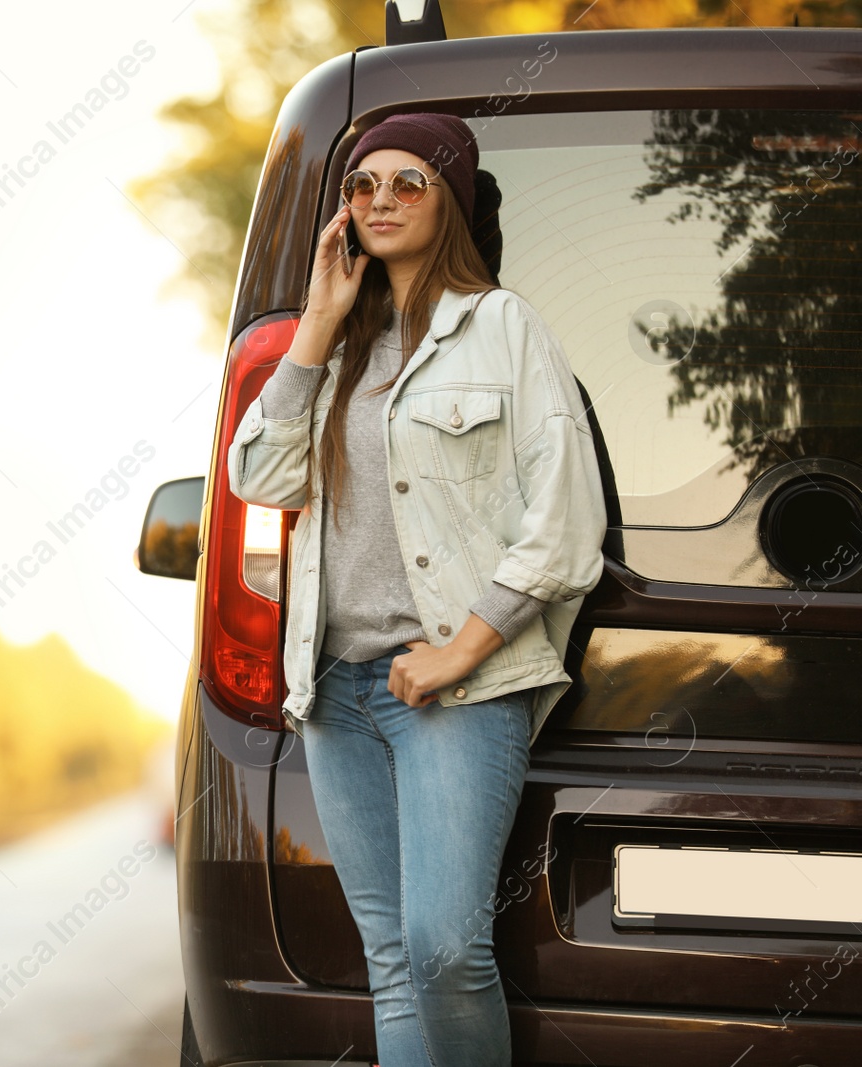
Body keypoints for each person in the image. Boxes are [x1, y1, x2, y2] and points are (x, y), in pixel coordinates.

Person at [225, 112, 607, 1066]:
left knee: (443, 949)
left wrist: (461, 647)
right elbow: (257, 479)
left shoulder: (502, 327)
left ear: (456, 201)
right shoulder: (336, 351)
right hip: (338, 691)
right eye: (363, 187)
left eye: (409, 182)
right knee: (392, 960)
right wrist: (314, 324)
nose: (381, 200)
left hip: (458, 685)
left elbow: (566, 522)